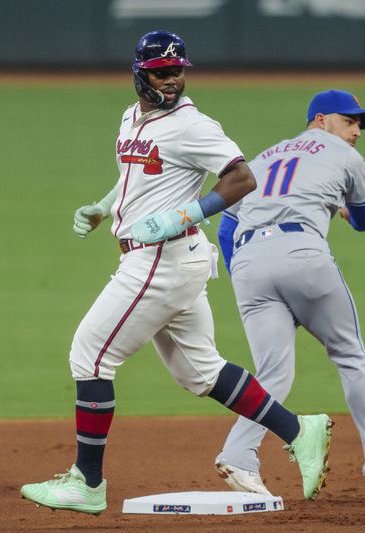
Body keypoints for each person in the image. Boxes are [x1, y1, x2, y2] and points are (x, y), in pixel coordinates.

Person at [20, 31, 332, 515]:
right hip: (166, 259)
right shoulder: (132, 116)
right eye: (161, 73)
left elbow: (243, 177)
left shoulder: (193, 125)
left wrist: (186, 214)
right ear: (140, 74)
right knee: (199, 371)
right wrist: (105, 207)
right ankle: (299, 430)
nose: (172, 81)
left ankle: (87, 483)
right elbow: (137, 175)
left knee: (90, 355)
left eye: (178, 71)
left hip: (161, 259)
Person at [212, 89, 365, 496]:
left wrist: (244, 276)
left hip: (249, 263)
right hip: (302, 254)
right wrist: (342, 210)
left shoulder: (263, 157)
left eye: (360, 123)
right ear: (320, 120)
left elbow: (226, 227)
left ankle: (238, 455)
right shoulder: (345, 156)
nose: (356, 130)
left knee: (272, 374)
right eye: (349, 120)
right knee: (350, 355)